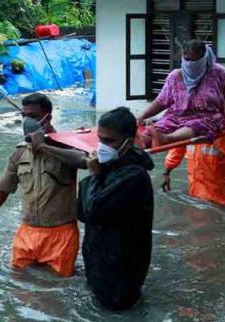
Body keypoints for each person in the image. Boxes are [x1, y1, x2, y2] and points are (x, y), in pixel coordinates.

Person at [0, 93, 88, 277]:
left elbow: (84, 161)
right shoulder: (20, 153)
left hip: (61, 235)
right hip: (27, 232)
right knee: (20, 288)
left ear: (47, 117)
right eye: (24, 115)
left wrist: (44, 146)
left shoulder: (66, 146)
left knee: (56, 296)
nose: (26, 121)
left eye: (32, 116)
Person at [136, 39, 225, 193]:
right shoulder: (175, 76)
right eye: (187, 59)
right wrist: (142, 116)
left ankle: (165, 138)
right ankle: (136, 142)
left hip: (206, 122)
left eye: (195, 60)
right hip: (178, 119)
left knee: (194, 127)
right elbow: (162, 101)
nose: (191, 64)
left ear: (204, 58)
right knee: (161, 126)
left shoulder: (217, 73)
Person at [78, 107, 154, 310]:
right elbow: (82, 214)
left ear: (128, 142)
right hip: (98, 261)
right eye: (100, 139)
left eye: (109, 141)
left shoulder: (134, 176)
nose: (102, 146)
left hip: (120, 269)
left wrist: (95, 175)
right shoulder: (110, 166)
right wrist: (99, 173)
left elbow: (92, 211)